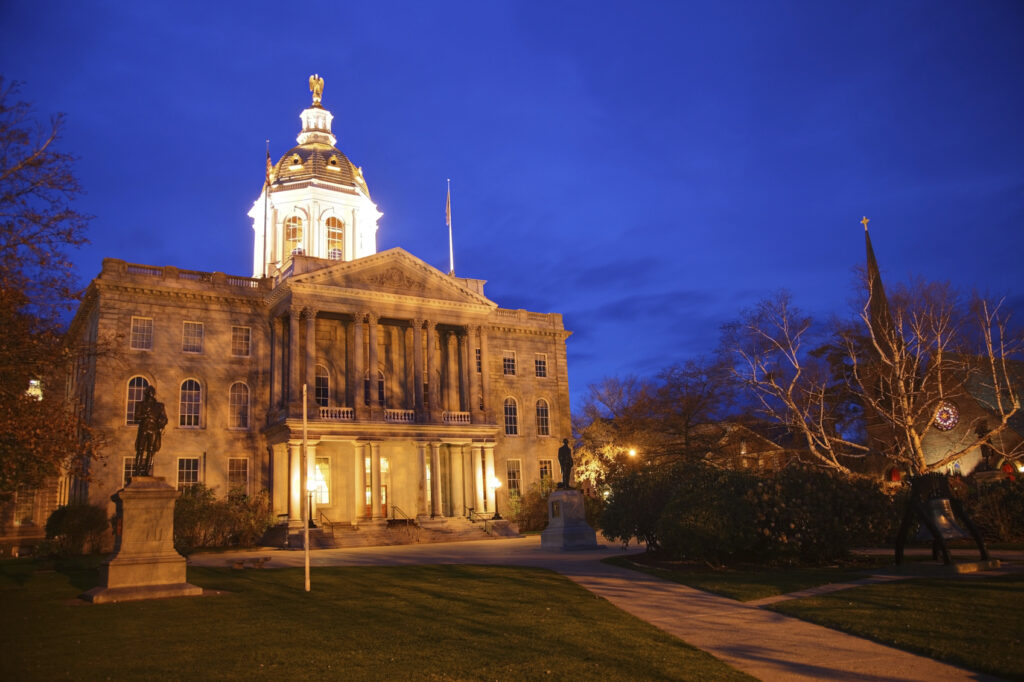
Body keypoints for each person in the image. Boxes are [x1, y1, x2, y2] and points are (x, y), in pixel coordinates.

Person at [132, 386, 167, 478]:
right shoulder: (140, 404)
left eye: (152, 391)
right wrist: (145, 415)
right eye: (149, 391)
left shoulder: (159, 406)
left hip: (154, 429)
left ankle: (146, 471)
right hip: (143, 428)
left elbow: (164, 418)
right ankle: (137, 470)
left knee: (151, 450)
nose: (150, 393)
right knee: (140, 449)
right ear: (146, 393)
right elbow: (136, 417)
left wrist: (161, 423)